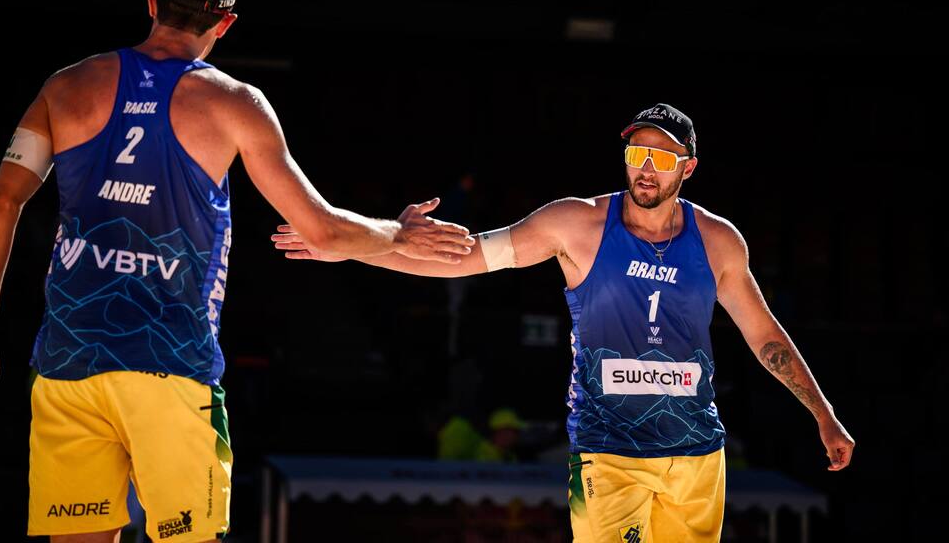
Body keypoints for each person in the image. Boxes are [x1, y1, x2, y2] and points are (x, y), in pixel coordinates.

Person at [0, 0, 474, 542]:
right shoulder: (236, 104)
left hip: (69, 364)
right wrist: (399, 233)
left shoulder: (66, 85)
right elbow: (322, 229)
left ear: (151, 2)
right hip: (171, 367)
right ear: (224, 23)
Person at [273, 103, 855, 542]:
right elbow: (464, 258)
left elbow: (765, 337)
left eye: (661, 157)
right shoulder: (576, 223)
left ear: (689, 168)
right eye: (636, 154)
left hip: (696, 456)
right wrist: (349, 244)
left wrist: (823, 414)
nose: (645, 168)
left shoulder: (720, 241)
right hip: (610, 452)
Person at [437, 407, 527, 463]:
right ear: (501, 432)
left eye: (517, 432)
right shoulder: (480, 452)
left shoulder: (511, 457)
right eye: (513, 431)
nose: (516, 436)